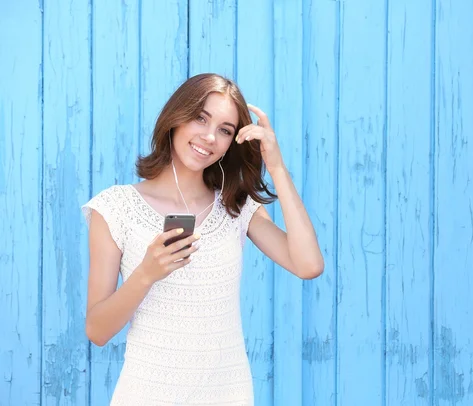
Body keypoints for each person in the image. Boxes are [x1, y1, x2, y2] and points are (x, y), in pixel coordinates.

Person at [81, 73, 324, 405]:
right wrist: (147, 274)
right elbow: (97, 330)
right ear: (175, 118)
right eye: (200, 118)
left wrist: (277, 167)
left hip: (228, 395)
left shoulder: (236, 206)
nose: (209, 137)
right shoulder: (114, 207)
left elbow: (308, 265)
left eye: (225, 130)